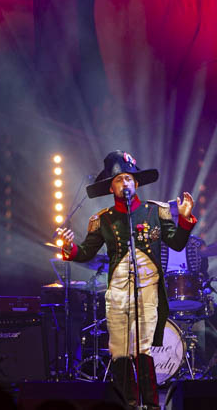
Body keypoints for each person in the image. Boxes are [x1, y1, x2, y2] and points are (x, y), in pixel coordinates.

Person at [58, 150, 196, 409]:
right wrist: (69, 246)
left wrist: (185, 219)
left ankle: (152, 405)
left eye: (130, 178)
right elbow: (86, 252)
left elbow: (177, 243)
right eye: (120, 179)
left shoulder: (156, 212)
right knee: (119, 350)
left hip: (148, 288)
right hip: (118, 292)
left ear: (137, 183)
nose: (126, 183)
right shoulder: (103, 220)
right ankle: (128, 405)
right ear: (111, 186)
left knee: (142, 349)